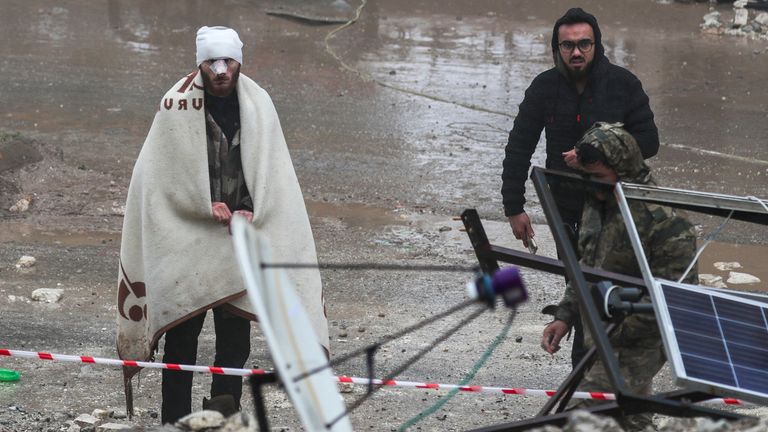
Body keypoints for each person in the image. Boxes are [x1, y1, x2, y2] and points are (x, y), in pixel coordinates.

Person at [116, 26, 329, 424]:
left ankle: (222, 412)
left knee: (234, 341)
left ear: (238, 61)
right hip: (186, 236)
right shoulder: (175, 104)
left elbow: (272, 171)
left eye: (227, 62)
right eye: (212, 63)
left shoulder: (258, 103)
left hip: (240, 239)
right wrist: (201, 202)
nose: (220, 71)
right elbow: (160, 176)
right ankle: (175, 419)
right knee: (182, 339)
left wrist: (251, 206)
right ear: (200, 63)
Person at [501, 7, 660, 366]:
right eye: (568, 45)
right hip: (567, 212)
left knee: (611, 291)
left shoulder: (623, 84)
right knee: (580, 287)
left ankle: (600, 371)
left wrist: (596, 154)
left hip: (617, 207)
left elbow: (649, 141)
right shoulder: (544, 87)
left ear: (596, 45)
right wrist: (514, 206)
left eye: (584, 44)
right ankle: (587, 370)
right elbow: (519, 145)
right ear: (556, 49)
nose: (576, 52)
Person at [540, 122, 698, 431]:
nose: (592, 186)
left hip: (641, 340)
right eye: (587, 178)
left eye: (599, 178)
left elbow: (678, 298)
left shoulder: (664, 221)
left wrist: (616, 333)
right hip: (602, 333)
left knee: (580, 417)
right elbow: (587, 264)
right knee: (630, 418)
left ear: (623, 171)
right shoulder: (600, 201)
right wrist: (566, 314)